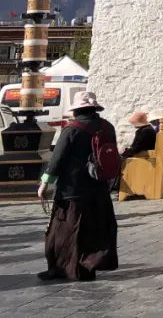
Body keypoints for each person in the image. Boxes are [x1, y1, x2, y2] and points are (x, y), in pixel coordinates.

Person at [37, 91, 119, 282]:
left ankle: (63, 269)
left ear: (76, 111)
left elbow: (57, 160)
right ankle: (88, 267)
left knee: (64, 233)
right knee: (92, 230)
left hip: (72, 190)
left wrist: (44, 184)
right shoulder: (107, 127)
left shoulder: (72, 129)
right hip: (99, 188)